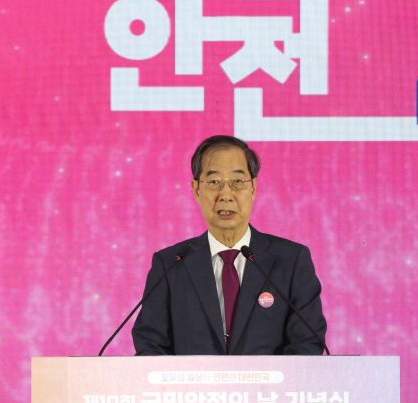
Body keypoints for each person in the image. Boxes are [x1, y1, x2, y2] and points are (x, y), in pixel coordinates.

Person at [132, 135, 327, 355]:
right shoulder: (171, 264)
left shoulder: (291, 261)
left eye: (237, 182)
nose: (226, 195)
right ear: (196, 189)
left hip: (271, 380)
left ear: (253, 188)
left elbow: (307, 342)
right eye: (214, 182)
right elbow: (150, 345)